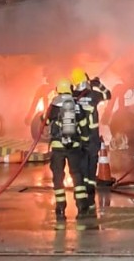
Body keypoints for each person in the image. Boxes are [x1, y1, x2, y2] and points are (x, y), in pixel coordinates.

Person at [46, 80, 90, 223]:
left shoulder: (54, 104)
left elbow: (45, 121)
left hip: (58, 146)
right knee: (77, 174)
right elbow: (84, 125)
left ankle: (60, 206)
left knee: (58, 176)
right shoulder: (76, 104)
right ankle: (82, 204)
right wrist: (83, 140)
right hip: (74, 146)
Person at [71, 68, 111, 190]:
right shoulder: (94, 95)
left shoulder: (72, 96)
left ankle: (82, 182)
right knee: (92, 158)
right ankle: (90, 185)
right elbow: (108, 95)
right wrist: (98, 85)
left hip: (78, 133)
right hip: (92, 133)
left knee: (82, 157)